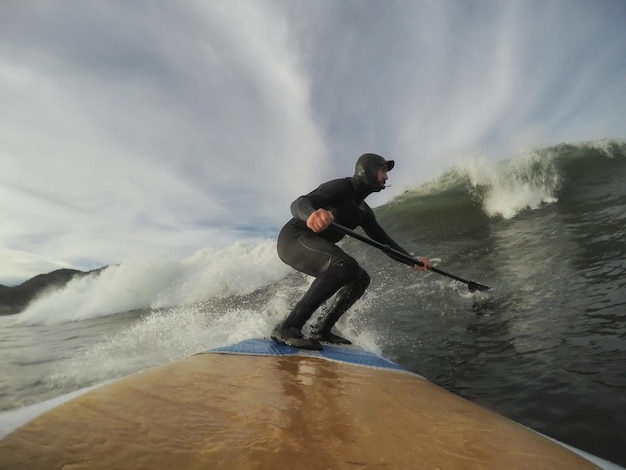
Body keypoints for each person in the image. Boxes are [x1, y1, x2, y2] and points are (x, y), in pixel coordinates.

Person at [271, 153, 432, 350]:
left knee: (360, 278)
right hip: (293, 240)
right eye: (382, 170)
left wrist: (412, 261)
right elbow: (299, 203)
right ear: (368, 170)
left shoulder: (363, 211)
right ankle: (287, 327)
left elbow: (384, 242)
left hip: (311, 244)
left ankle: (321, 329)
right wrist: (311, 214)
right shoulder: (342, 186)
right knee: (345, 265)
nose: (386, 177)